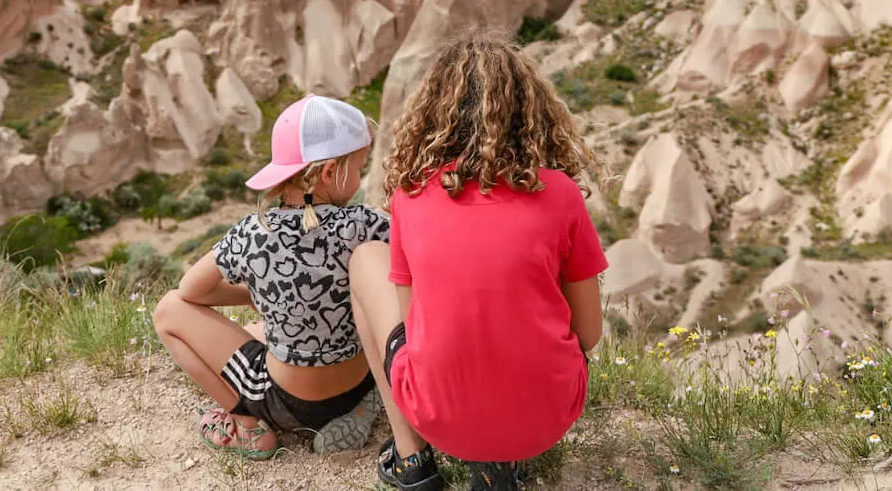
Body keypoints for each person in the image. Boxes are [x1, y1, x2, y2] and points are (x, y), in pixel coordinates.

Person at [349, 35, 609, 491]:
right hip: (546, 417)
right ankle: (500, 463)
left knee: (364, 260)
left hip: (439, 415)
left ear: (431, 114)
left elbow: (414, 327)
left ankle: (412, 463)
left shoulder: (412, 197)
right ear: (531, 111)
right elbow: (589, 334)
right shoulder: (562, 194)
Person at [154, 95, 389, 459]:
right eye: (359, 168)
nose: (360, 179)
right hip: (361, 379)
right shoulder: (368, 224)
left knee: (168, 309)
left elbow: (189, 291)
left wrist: (259, 292)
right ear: (329, 173)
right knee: (256, 333)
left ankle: (248, 428)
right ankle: (362, 407)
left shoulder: (253, 232)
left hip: (291, 403)